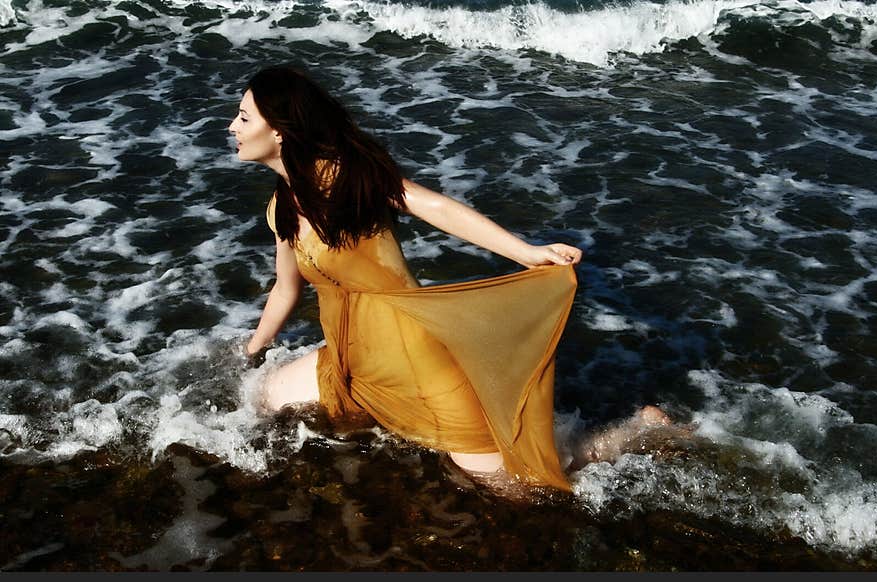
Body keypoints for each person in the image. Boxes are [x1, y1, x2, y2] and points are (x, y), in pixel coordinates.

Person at [227, 66, 661, 492]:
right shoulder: (281, 206)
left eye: (245, 117)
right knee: (265, 397)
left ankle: (632, 434)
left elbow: (436, 207)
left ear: (280, 130)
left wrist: (525, 252)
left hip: (416, 361)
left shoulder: (345, 178)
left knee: (522, 488)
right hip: (352, 359)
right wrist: (251, 350)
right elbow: (287, 287)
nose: (233, 126)